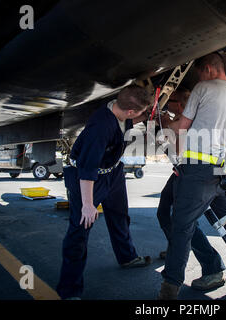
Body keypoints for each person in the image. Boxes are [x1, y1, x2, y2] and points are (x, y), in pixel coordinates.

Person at [158, 53, 226, 299]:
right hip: (220, 167)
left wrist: (160, 126)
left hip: (196, 168)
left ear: (208, 69)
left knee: (181, 225)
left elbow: (182, 128)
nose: (198, 78)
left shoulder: (204, 87)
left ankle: (169, 289)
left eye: (199, 73)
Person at [57, 84, 152, 300]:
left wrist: (150, 109)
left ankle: (127, 257)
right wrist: (88, 205)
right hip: (88, 178)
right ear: (129, 111)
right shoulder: (100, 127)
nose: (140, 116)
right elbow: (87, 169)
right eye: (139, 113)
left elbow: (133, 119)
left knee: (119, 215)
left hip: (113, 172)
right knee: (79, 231)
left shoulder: (120, 110)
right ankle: (69, 290)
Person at [156, 88, 226, 291]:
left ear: (180, 105)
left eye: (171, 101)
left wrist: (161, 122)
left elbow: (176, 145)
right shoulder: (180, 119)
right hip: (184, 171)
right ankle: (177, 249)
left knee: (181, 221)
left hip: (194, 173)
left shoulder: (191, 121)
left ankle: (212, 266)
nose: (167, 105)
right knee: (165, 214)